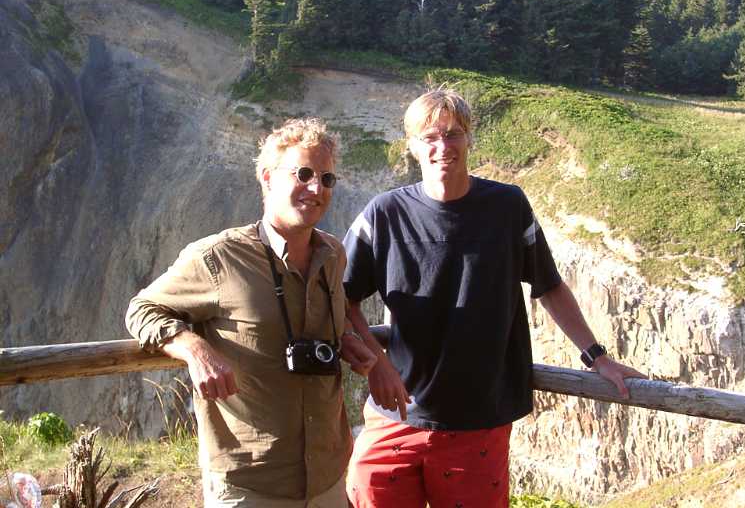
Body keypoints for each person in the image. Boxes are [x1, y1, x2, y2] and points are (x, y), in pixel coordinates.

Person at [342, 90, 646, 508]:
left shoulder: (507, 207)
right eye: (429, 137)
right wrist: (376, 362)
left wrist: (597, 357)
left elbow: (549, 286)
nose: (442, 147)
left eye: (453, 134)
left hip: (478, 421)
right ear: (412, 146)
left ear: (469, 138)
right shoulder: (384, 213)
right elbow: (340, 296)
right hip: (394, 415)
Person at [126, 117, 376, 508]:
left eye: (326, 179)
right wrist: (194, 349)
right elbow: (141, 309)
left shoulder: (332, 255)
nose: (316, 188)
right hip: (251, 483)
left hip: (328, 477)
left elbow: (323, 314)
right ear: (267, 178)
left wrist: (344, 339)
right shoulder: (218, 258)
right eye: (304, 174)